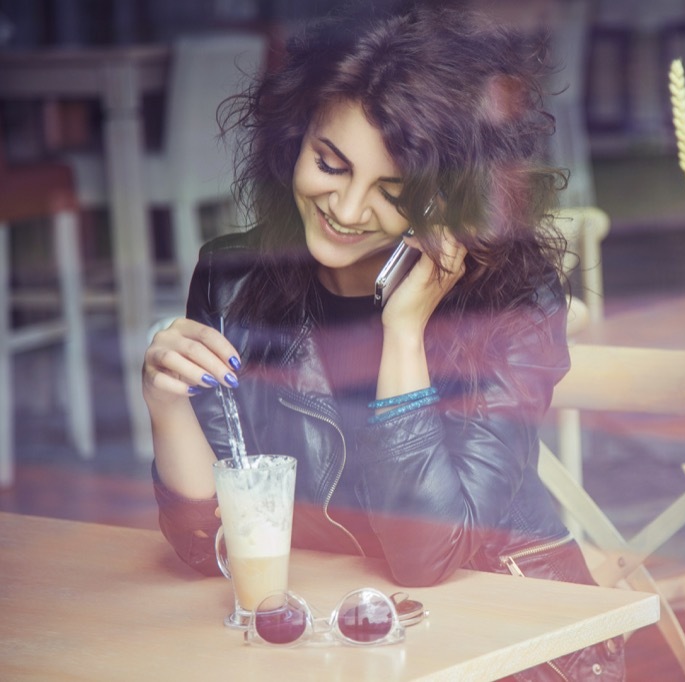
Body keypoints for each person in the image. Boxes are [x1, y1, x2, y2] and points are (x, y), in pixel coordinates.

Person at [142, 4, 624, 680]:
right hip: (339, 640)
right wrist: (167, 404)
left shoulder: (510, 301)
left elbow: (426, 559)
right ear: (296, 139)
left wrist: (404, 333)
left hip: (512, 644)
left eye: (392, 192)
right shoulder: (235, 280)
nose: (344, 209)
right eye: (330, 164)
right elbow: (210, 551)